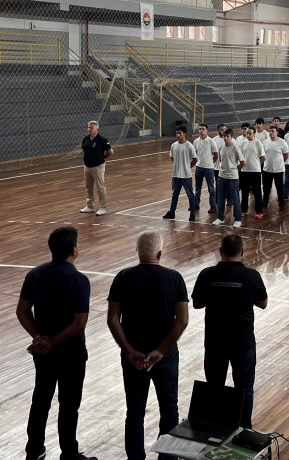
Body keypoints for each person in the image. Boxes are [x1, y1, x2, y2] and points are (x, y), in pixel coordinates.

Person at [17, 227, 97, 460]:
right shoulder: (79, 280)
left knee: (40, 399)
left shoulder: (35, 274)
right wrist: (52, 341)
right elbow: (79, 323)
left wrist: (39, 338)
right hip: (71, 353)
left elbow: (22, 311)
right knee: (69, 404)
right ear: (74, 250)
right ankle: (69, 453)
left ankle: (33, 450)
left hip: (42, 353)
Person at [107, 231, 189, 460]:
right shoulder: (174, 278)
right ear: (160, 253)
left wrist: (129, 350)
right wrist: (161, 351)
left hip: (132, 358)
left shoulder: (122, 277)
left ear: (137, 252)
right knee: (169, 410)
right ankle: (167, 457)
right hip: (165, 358)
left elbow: (112, 318)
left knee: (134, 411)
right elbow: (182, 319)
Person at [192, 234, 267, 429]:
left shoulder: (207, 274)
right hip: (243, 343)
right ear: (242, 252)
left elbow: (197, 304)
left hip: (215, 342)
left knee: (214, 388)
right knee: (245, 389)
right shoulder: (252, 276)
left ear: (220, 252)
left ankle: (217, 428)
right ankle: (243, 429)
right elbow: (263, 303)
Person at [163, 126, 197, 222]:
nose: (178, 135)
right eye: (177, 133)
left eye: (180, 133)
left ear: (184, 134)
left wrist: (187, 167)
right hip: (176, 175)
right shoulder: (174, 145)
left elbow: (195, 159)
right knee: (175, 195)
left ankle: (192, 214)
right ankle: (172, 212)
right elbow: (172, 158)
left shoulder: (189, 146)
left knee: (190, 195)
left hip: (186, 176)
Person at [79, 120, 112, 216]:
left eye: (91, 128)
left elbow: (110, 152)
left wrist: (102, 159)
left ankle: (103, 207)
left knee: (100, 187)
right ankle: (90, 206)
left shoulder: (102, 140)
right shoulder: (85, 139)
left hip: (98, 167)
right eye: (88, 127)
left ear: (97, 129)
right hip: (87, 167)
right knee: (89, 187)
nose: (89, 129)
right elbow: (84, 151)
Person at [213, 129, 244, 227]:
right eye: (224, 136)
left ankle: (238, 219)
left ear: (231, 137)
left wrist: (235, 170)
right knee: (221, 199)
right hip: (222, 176)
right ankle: (220, 218)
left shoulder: (235, 148)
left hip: (233, 177)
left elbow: (243, 162)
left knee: (235, 199)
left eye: (228, 136)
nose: (225, 138)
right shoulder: (221, 147)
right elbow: (221, 159)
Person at [238, 128, 265, 218]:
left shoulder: (258, 143)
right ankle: (243, 210)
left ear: (254, 134)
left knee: (257, 192)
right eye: (247, 133)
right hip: (244, 171)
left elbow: (263, 157)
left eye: (250, 133)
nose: (248, 135)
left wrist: (256, 164)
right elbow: (241, 157)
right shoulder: (243, 143)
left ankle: (259, 212)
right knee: (244, 192)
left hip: (255, 172)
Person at [261, 126, 289, 211]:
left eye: (272, 131)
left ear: (277, 132)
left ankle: (281, 203)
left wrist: (279, 163)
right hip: (267, 169)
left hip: (279, 170)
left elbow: (286, 155)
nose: (271, 133)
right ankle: (265, 202)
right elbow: (263, 154)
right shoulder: (265, 142)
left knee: (279, 188)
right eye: (269, 131)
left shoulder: (282, 142)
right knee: (266, 188)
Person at [194, 124, 218, 214]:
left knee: (211, 188)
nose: (201, 131)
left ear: (207, 131)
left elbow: (216, 155)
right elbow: (195, 153)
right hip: (199, 167)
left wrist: (211, 163)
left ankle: (213, 205)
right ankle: (196, 204)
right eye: (199, 129)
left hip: (209, 168)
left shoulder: (211, 141)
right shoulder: (196, 141)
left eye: (203, 129)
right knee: (197, 188)